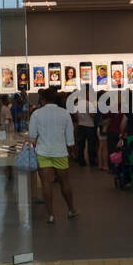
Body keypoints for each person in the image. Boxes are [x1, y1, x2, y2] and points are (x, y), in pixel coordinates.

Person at [28, 87, 78, 224]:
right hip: (60, 152)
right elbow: (70, 138)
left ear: (43, 99)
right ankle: (71, 209)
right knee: (65, 183)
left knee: (46, 184)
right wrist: (71, 149)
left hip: (43, 152)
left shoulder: (36, 114)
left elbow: (32, 136)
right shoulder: (65, 113)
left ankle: (50, 215)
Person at [75, 98, 99, 168]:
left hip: (81, 125)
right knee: (91, 144)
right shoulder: (89, 104)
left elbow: (75, 115)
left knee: (81, 145)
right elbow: (92, 115)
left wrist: (80, 120)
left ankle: (81, 161)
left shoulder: (76, 104)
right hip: (90, 126)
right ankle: (91, 161)